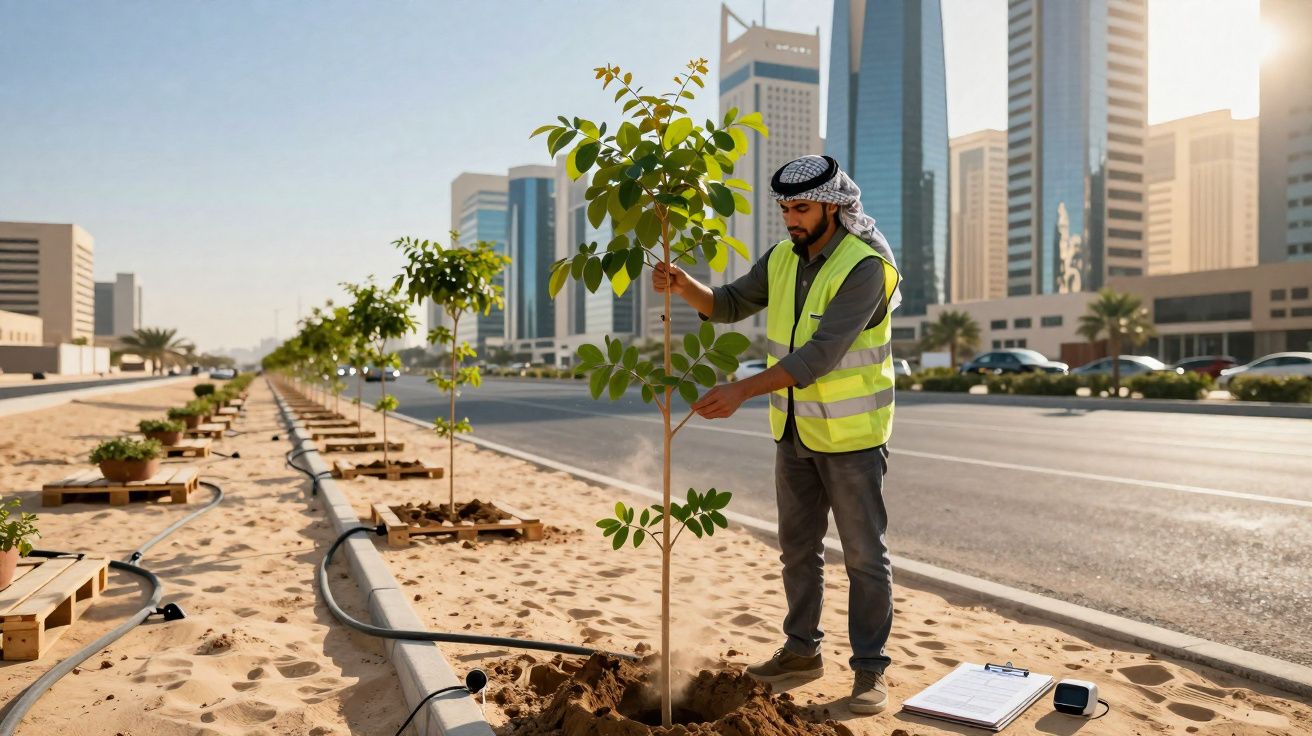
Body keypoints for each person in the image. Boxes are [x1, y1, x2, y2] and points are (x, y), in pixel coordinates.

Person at [652, 154, 901, 715]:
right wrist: (683, 283)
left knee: (863, 555)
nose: (791, 217)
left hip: (853, 436)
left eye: (802, 207)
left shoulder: (866, 267)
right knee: (796, 548)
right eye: (785, 207)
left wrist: (740, 389)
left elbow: (819, 355)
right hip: (793, 429)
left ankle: (869, 672)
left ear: (834, 207)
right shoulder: (784, 259)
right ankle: (800, 652)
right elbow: (730, 304)